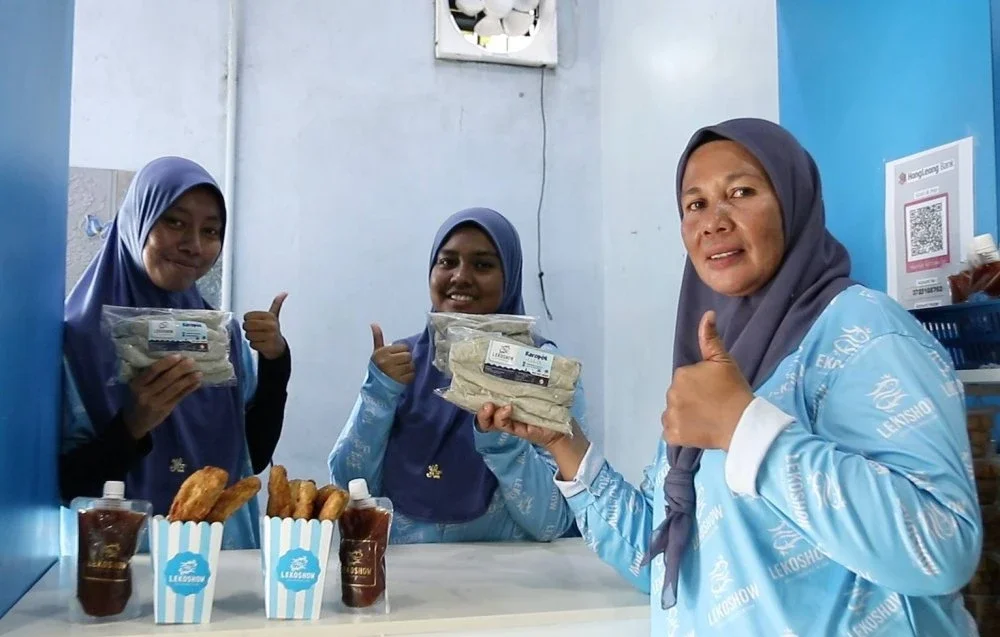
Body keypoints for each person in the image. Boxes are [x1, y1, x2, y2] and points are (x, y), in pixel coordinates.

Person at [477, 119, 982, 634]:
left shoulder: (867, 332)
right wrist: (563, 441)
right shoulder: (716, 363)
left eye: (741, 192)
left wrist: (746, 430)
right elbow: (661, 562)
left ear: (791, 202)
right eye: (695, 204)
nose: (713, 222)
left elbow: (943, 548)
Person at [61, 156, 292, 550]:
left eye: (211, 231)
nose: (194, 246)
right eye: (175, 222)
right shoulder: (76, 341)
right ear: (138, 220)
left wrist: (275, 363)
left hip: (218, 556)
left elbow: (251, 457)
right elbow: (60, 484)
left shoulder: (218, 338)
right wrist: (132, 426)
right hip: (119, 562)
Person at [329, 207, 590, 543]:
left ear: (510, 276)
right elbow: (348, 488)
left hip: (510, 574)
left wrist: (502, 438)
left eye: (483, 265)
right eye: (447, 262)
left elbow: (550, 522)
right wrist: (377, 395)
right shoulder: (400, 365)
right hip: (405, 571)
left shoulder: (543, 370)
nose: (460, 276)